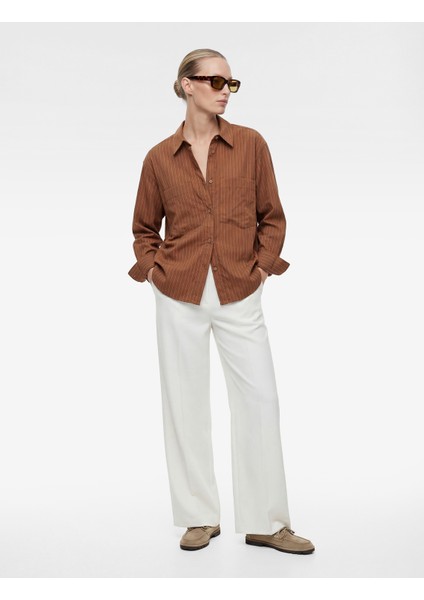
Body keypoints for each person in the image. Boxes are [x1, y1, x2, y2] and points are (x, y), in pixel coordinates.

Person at [128, 48, 315, 555]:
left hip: (238, 288)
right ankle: (197, 516)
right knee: (184, 403)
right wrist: (154, 271)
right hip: (178, 292)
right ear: (186, 84)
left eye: (231, 83)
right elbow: (144, 228)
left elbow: (272, 216)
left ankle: (266, 521)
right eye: (214, 81)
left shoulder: (251, 144)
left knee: (259, 401)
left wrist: (261, 268)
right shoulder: (158, 158)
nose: (225, 91)